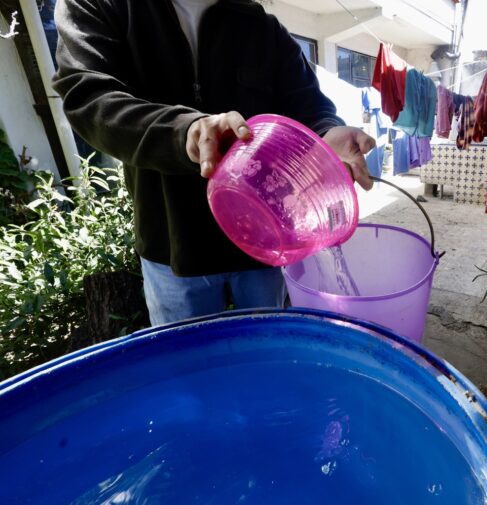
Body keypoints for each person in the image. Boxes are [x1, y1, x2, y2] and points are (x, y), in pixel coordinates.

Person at [52, 0, 375, 326]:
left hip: (267, 237)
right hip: (172, 245)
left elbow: (309, 104)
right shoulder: (101, 7)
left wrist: (325, 132)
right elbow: (88, 97)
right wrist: (183, 133)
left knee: (266, 354)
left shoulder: (260, 26)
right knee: (188, 363)